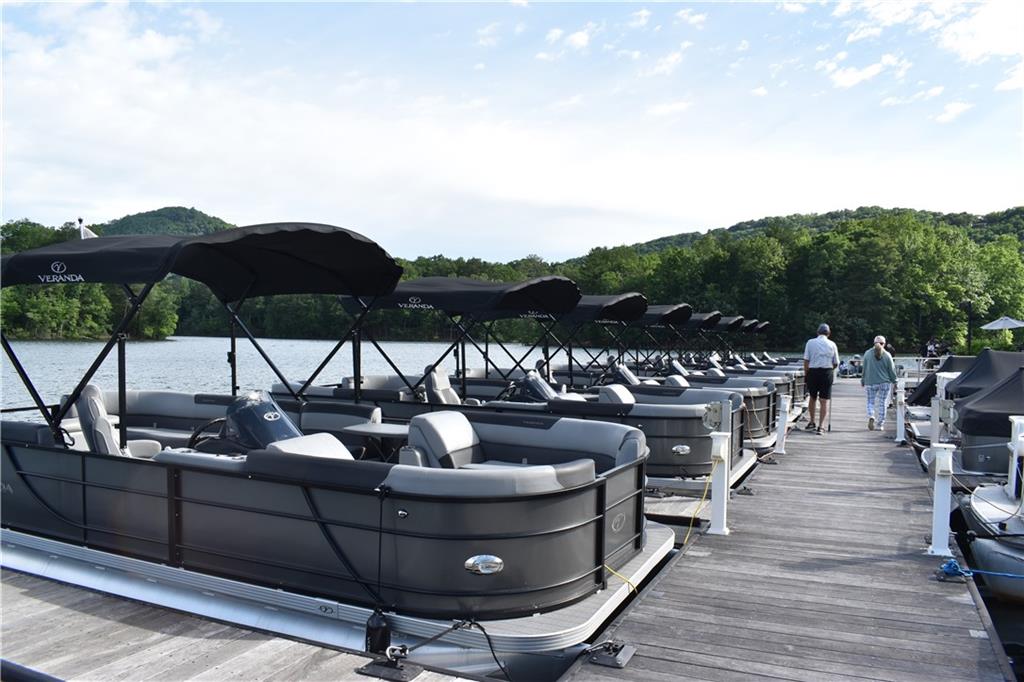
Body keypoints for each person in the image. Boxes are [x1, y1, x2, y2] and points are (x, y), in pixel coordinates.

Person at [803, 323, 839, 435]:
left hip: (813, 372)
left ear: (817, 332)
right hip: (826, 372)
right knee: (824, 400)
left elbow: (806, 361)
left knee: (812, 397)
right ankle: (821, 426)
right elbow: (836, 363)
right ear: (828, 333)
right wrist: (829, 369)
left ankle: (812, 421)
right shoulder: (832, 344)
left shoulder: (810, 342)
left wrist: (806, 373)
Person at [861, 334, 898, 431]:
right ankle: (880, 425)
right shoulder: (887, 355)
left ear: (874, 343)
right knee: (882, 403)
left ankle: (871, 415)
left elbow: (864, 368)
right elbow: (892, 370)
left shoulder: (867, 353)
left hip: (870, 382)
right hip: (884, 383)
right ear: (884, 344)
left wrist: (863, 380)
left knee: (870, 401)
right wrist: (895, 381)